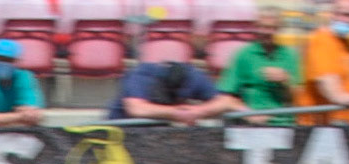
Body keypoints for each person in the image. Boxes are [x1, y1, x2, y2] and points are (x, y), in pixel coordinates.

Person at [218, 11, 303, 123]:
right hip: (250, 122)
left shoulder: (289, 55)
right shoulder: (244, 54)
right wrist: (248, 113)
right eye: (263, 27)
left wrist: (286, 80)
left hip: (282, 122)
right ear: (256, 28)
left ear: (278, 29)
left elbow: (300, 97)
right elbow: (226, 95)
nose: (267, 32)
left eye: (272, 28)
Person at [108, 59, 243, 123]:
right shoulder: (141, 76)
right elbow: (137, 109)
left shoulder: (193, 77)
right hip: (122, 131)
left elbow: (227, 101)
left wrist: (198, 111)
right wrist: (177, 112)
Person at [300, 0, 349, 125]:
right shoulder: (323, 40)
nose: (347, 20)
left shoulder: (346, 43)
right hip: (326, 125)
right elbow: (326, 80)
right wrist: (343, 98)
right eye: (344, 14)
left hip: (348, 124)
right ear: (332, 14)